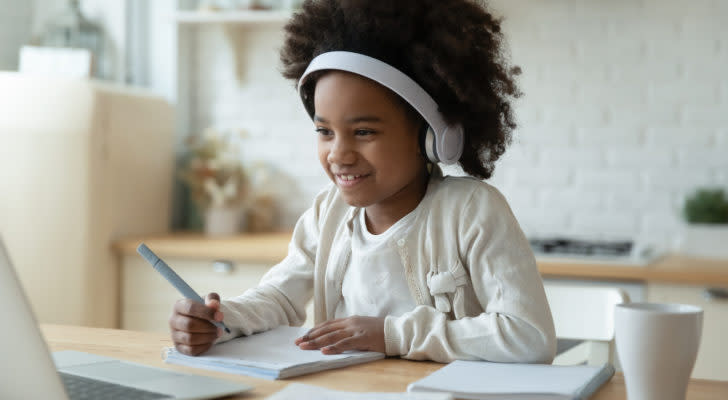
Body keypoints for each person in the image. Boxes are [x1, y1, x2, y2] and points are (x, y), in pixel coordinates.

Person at [169, 0, 556, 364]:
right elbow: (281, 298)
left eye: (364, 132)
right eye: (324, 131)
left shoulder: (472, 211)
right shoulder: (327, 212)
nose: (339, 154)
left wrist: (391, 335)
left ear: (432, 136)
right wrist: (222, 319)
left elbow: (529, 336)